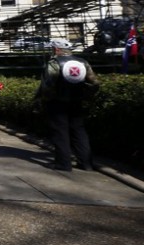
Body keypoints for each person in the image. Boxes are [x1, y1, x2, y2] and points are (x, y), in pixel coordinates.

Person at [34, 39, 100, 171]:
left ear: (57, 49)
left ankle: (63, 164)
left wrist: (44, 100)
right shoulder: (83, 62)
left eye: (52, 48)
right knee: (79, 131)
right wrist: (85, 96)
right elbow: (94, 83)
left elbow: (48, 85)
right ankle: (86, 163)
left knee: (60, 132)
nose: (51, 51)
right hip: (77, 102)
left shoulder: (54, 63)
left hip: (57, 103)